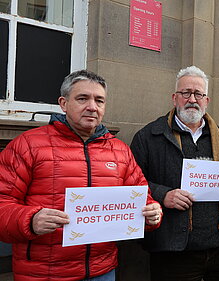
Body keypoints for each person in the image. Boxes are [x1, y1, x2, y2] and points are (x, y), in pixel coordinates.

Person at [0, 70, 163, 281]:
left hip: (102, 270)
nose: (92, 107)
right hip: (45, 272)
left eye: (99, 100)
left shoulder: (121, 151)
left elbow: (144, 200)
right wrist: (30, 220)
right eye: (82, 98)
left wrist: (153, 215)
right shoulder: (28, 145)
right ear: (63, 103)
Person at [130, 65, 219, 281]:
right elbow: (131, 185)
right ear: (174, 98)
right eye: (185, 93)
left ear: (207, 100)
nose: (192, 99)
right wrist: (163, 195)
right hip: (174, 249)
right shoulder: (149, 136)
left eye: (198, 94)